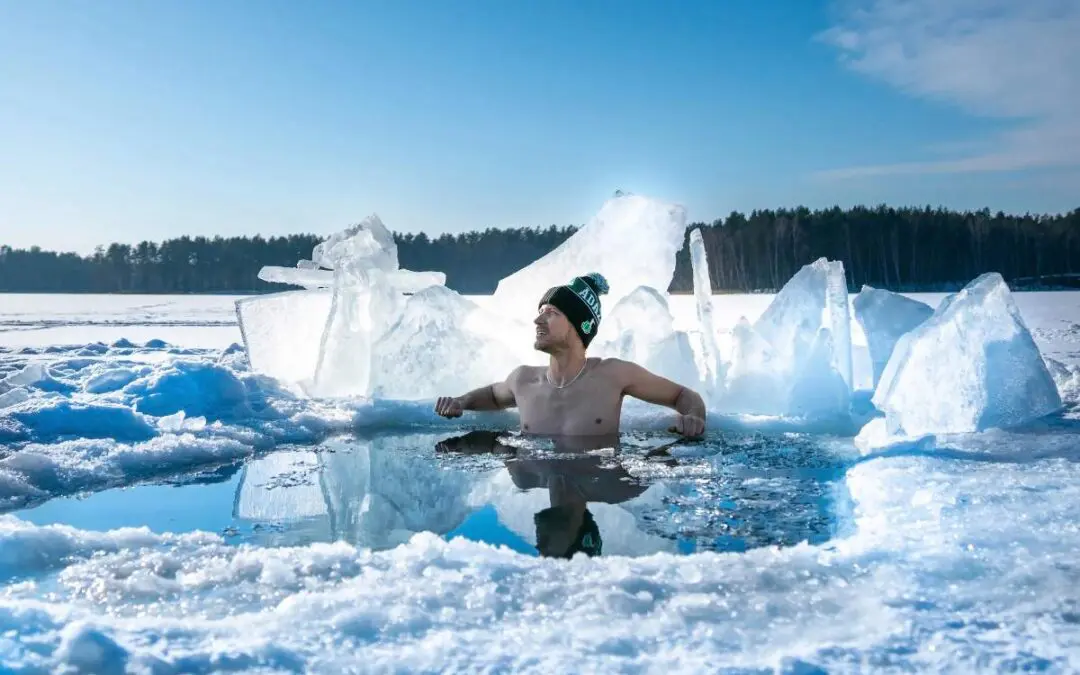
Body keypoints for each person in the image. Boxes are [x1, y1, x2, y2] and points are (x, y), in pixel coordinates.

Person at [434, 272, 707, 438]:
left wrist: (693, 418)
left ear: (580, 326)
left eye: (551, 314)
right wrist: (460, 401)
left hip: (595, 477)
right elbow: (494, 396)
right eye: (540, 313)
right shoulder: (524, 380)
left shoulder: (614, 375)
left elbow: (683, 396)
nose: (538, 322)